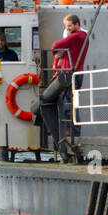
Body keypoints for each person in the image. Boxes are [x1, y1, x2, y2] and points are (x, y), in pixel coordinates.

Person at [40, 14, 89, 158]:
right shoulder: (82, 37)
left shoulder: (76, 37)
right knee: (73, 103)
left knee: (68, 103)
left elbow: (55, 45)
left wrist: (56, 54)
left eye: (69, 26)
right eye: (66, 26)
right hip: (76, 73)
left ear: (76, 24)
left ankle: (71, 131)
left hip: (70, 75)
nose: (67, 29)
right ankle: (73, 130)